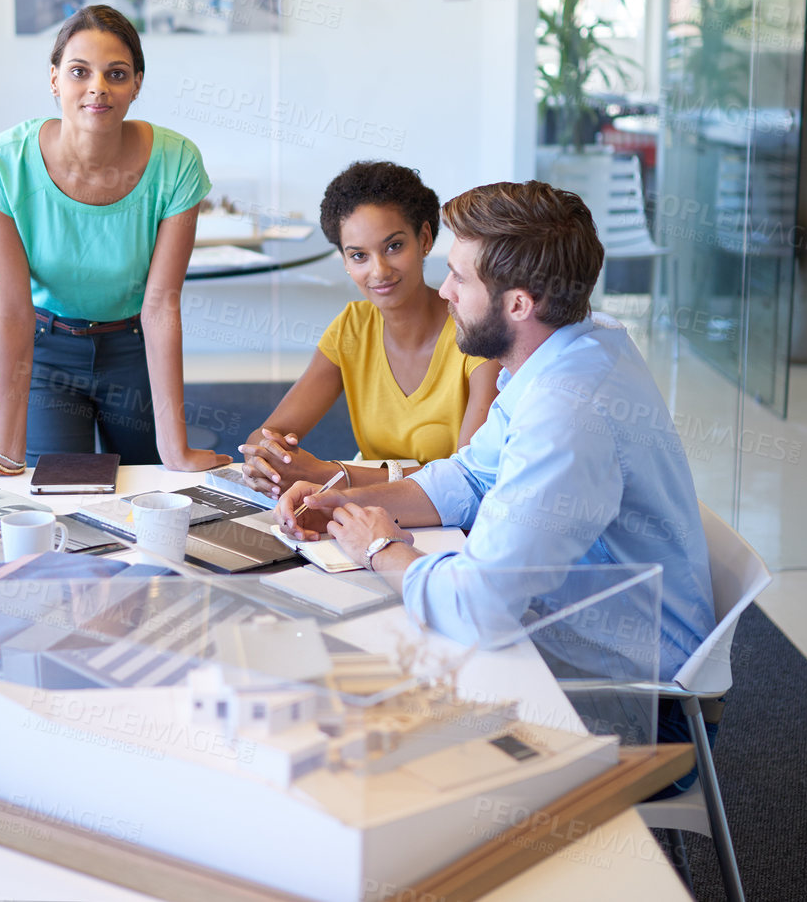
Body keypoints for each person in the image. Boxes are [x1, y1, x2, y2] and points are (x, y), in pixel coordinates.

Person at [276, 181, 716, 771]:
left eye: (460, 277)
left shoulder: (569, 410)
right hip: (571, 641)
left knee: (357, 723)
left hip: (634, 703)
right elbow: (470, 477)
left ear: (517, 304)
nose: (443, 289)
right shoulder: (566, 349)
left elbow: (479, 607)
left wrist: (380, 548)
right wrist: (344, 501)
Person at [0, 5, 228, 479]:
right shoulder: (5, 164)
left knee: (156, 492)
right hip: (50, 350)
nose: (98, 88)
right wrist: (5, 453)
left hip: (132, 347)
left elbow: (161, 307)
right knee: (67, 493)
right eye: (79, 71)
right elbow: (14, 311)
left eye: (117, 74)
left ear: (137, 85)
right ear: (54, 80)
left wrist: (176, 449)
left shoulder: (177, 162)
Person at [236, 161, 499, 499]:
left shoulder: (477, 334)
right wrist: (266, 460)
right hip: (366, 509)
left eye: (394, 246)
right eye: (358, 255)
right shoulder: (352, 327)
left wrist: (332, 474)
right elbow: (269, 433)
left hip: (451, 521)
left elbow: (466, 479)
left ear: (425, 239)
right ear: (345, 262)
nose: (379, 271)